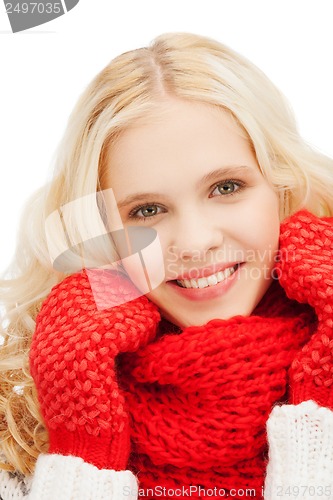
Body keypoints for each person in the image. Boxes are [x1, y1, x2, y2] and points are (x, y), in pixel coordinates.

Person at [0, 32, 333, 500]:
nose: (196, 243)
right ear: (103, 234)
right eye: (147, 211)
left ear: (278, 186)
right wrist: (84, 449)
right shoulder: (23, 429)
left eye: (226, 187)